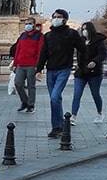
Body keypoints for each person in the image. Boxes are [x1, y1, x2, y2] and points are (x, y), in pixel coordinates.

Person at [36, 8, 84, 138]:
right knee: (55, 99)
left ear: (64, 19)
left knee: (54, 97)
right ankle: (59, 125)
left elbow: (82, 49)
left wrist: (82, 63)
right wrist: (39, 69)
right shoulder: (48, 36)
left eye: (58, 17)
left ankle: (57, 126)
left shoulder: (71, 34)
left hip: (64, 68)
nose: (55, 19)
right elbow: (43, 54)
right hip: (51, 70)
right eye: (54, 16)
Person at [72, 22, 106, 124]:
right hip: (81, 72)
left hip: (94, 73)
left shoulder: (98, 41)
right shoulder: (81, 41)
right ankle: (73, 116)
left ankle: (100, 112)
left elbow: (102, 54)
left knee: (95, 93)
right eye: (82, 29)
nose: (84, 31)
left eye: (86, 29)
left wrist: (95, 61)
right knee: (77, 94)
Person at [9, 19, 43, 113]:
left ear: (34, 25)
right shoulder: (23, 35)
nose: (28, 25)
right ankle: (25, 101)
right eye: (26, 23)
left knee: (31, 85)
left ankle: (31, 105)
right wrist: (15, 64)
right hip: (21, 63)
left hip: (32, 64)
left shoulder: (39, 36)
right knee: (18, 83)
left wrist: (38, 65)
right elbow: (18, 50)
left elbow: (40, 50)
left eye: (30, 24)